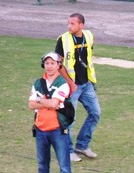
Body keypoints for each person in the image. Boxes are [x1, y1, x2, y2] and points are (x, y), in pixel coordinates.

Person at [26, 52, 75, 173]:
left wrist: (39, 100)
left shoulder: (63, 83)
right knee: (42, 165)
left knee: (64, 166)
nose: (49, 66)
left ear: (58, 65)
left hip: (57, 130)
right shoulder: (38, 83)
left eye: (52, 63)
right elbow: (31, 105)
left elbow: (53, 103)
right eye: (47, 63)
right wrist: (45, 102)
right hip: (40, 129)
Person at [55, 13, 101, 163]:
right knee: (70, 119)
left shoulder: (88, 36)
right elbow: (58, 64)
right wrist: (70, 82)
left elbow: (87, 57)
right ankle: (68, 151)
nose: (69, 26)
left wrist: (90, 80)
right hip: (72, 86)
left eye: (73, 23)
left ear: (81, 25)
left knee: (95, 113)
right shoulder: (63, 39)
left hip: (86, 83)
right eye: (68, 23)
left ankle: (82, 146)